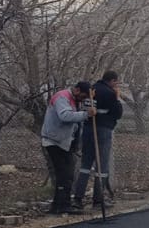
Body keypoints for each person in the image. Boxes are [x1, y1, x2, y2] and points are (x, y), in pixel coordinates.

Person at [71, 71, 124, 210]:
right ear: (112, 81)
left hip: (87, 129)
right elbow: (118, 113)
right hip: (103, 130)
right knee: (102, 166)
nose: (116, 85)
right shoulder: (109, 93)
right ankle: (98, 200)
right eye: (116, 82)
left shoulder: (91, 89)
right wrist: (117, 98)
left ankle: (78, 198)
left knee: (85, 165)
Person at [40, 80, 94, 214]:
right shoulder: (62, 97)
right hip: (54, 141)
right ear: (76, 90)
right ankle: (62, 205)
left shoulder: (74, 100)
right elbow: (65, 116)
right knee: (65, 173)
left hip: (64, 142)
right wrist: (86, 114)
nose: (82, 100)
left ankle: (60, 204)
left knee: (66, 174)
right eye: (82, 96)